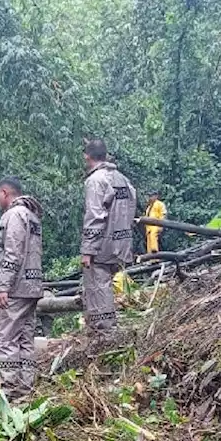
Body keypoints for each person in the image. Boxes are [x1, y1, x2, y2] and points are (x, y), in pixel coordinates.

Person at [0, 177, 44, 400]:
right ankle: (26, 387)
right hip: (31, 285)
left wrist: (2, 286)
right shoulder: (32, 217)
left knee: (5, 338)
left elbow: (12, 253)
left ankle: (10, 389)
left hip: (15, 287)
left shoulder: (12, 216)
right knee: (25, 337)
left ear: (4, 193)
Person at [80, 138, 136, 345]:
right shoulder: (122, 179)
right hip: (121, 242)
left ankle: (104, 334)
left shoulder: (96, 180)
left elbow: (95, 216)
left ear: (87, 156)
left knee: (97, 285)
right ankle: (106, 329)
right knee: (107, 285)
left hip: (103, 244)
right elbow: (131, 206)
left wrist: (88, 249)